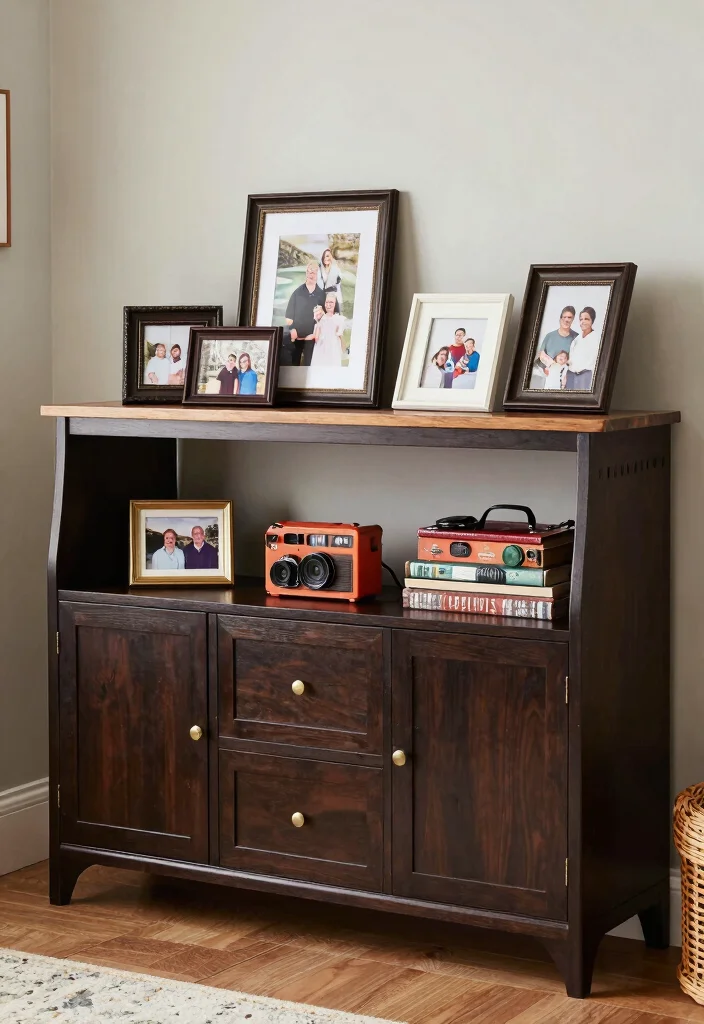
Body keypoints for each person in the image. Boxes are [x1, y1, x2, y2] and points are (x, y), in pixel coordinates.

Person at [283, 261, 326, 366]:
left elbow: (325, 318)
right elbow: (288, 318)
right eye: (309, 272)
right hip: (296, 338)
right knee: (294, 365)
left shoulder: (322, 294)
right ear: (306, 273)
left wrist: (316, 333)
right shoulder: (297, 293)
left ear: (318, 275)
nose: (311, 275)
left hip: (313, 339)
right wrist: (293, 330)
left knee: (309, 366)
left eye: (314, 272)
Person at [566, 306, 600, 389]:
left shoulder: (597, 339)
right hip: (571, 375)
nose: (583, 322)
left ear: (592, 321)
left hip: (585, 376)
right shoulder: (576, 340)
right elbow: (571, 359)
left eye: (586, 319)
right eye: (581, 319)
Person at [535, 306, 577, 371]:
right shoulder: (549, 336)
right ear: (560, 319)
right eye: (564, 317)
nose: (566, 320)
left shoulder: (577, 338)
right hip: (546, 373)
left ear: (573, 319)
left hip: (566, 375)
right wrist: (553, 365)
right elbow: (542, 355)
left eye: (569, 317)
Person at [311, 293, 345, 367]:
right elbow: (316, 339)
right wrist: (318, 321)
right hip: (321, 349)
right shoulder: (321, 318)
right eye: (327, 302)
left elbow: (340, 336)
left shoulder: (339, 319)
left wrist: (343, 352)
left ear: (335, 304)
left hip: (333, 349)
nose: (328, 304)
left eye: (331, 302)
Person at [316, 248, 342, 313]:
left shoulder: (336, 270)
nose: (326, 258)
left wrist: (339, 300)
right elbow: (318, 285)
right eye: (324, 256)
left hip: (333, 297)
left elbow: (338, 287)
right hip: (322, 298)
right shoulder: (319, 270)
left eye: (327, 256)